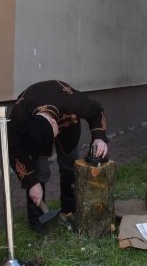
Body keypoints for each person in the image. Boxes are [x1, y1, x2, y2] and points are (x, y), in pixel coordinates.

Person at [7, 80, 109, 233]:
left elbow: (96, 111)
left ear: (55, 124)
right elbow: (15, 152)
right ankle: (37, 219)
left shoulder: (73, 101)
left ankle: (69, 210)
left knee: (69, 164)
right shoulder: (18, 116)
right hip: (34, 127)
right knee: (39, 171)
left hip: (69, 123)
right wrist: (31, 182)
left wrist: (99, 137)